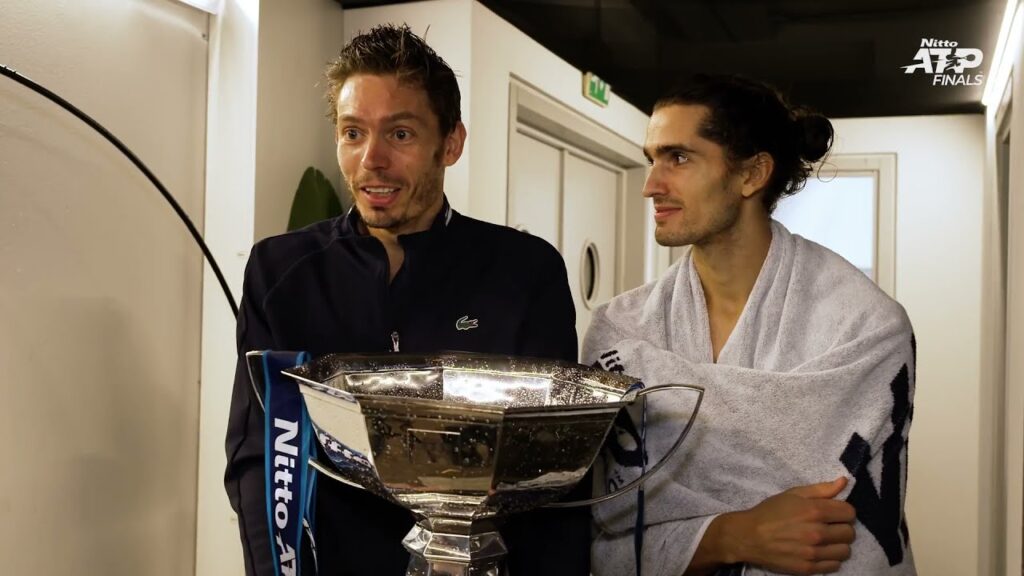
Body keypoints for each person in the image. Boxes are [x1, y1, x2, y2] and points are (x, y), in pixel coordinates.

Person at [225, 24, 590, 576]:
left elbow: (555, 473)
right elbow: (260, 455)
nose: (371, 159)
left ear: (451, 143)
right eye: (352, 133)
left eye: (400, 134)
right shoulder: (281, 271)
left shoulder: (525, 271)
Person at [584, 74, 916, 576]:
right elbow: (601, 521)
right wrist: (730, 534)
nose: (651, 184)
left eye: (678, 157)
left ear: (752, 174)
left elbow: (830, 521)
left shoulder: (863, 325)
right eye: (652, 158)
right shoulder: (622, 329)